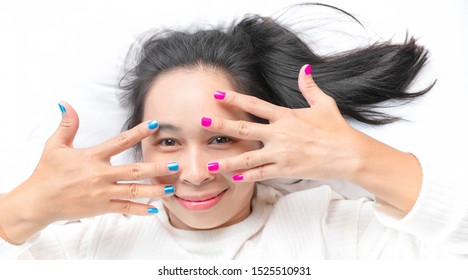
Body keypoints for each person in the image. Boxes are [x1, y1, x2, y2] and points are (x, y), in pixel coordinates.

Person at [0, 6, 466, 259]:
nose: (197, 174)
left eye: (220, 138)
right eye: (167, 141)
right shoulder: (81, 248)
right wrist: (22, 209)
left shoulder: (344, 231)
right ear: (137, 145)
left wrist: (357, 158)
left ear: (264, 138)